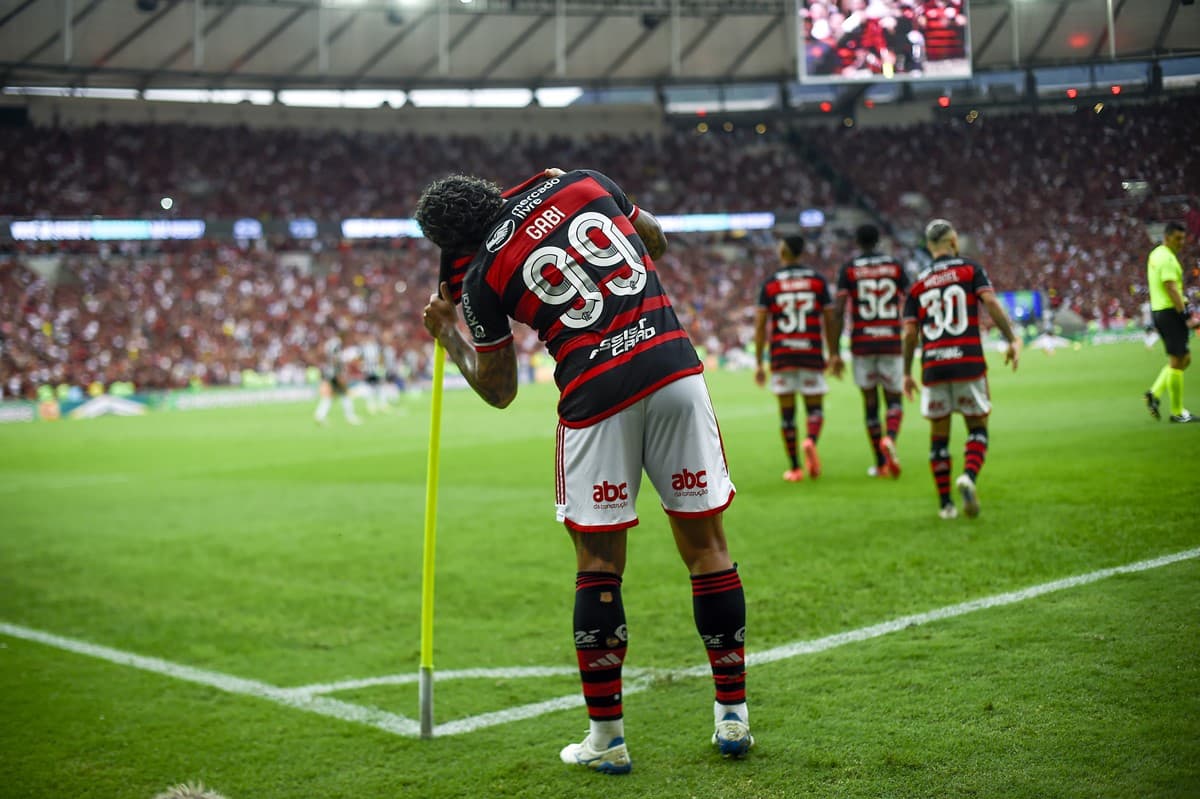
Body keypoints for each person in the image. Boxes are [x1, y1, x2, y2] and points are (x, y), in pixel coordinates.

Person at [418, 168, 751, 774]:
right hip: (673, 368)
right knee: (708, 548)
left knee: (598, 564)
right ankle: (733, 716)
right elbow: (655, 241)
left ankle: (607, 740)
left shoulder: (480, 276)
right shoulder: (579, 182)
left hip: (595, 395)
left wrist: (448, 335)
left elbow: (499, 391)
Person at [902, 219, 1020, 520]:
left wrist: (906, 373)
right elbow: (990, 301)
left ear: (929, 247)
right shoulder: (969, 269)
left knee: (938, 438)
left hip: (934, 366)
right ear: (953, 241)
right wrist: (1012, 339)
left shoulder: (918, 283)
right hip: (967, 362)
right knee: (977, 428)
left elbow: (909, 334)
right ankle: (968, 476)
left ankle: (945, 505)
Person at [754, 233, 842, 481]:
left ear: (783, 251)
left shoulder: (770, 283)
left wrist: (759, 362)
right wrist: (833, 353)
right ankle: (810, 440)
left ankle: (794, 468)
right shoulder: (817, 281)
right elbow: (830, 320)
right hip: (810, 352)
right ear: (802, 252)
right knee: (815, 409)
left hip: (782, 355)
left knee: (787, 415)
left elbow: (760, 325)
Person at [833, 224, 909, 478]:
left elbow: (839, 310)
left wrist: (835, 351)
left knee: (870, 404)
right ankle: (891, 438)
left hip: (862, 343)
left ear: (857, 241)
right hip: (891, 341)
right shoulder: (895, 266)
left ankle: (880, 463)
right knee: (894, 399)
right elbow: (911, 298)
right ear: (878, 240)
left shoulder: (850, 269)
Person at [1144, 221, 1195, 423]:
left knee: (1184, 358)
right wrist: (1185, 315)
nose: (1181, 242)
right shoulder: (1167, 258)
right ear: (1167, 237)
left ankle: (1154, 394)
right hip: (1170, 312)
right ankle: (1177, 411)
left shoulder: (1156, 254)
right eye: (1177, 238)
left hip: (1160, 310)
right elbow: (1171, 287)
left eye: (1183, 238)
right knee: (1178, 360)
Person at [314, 334, 362, 425]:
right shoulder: (336, 356)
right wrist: (340, 377)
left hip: (332, 376)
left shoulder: (333, 356)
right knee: (345, 396)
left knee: (330, 397)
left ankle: (319, 416)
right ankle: (350, 417)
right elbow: (337, 365)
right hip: (335, 377)